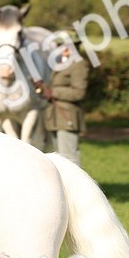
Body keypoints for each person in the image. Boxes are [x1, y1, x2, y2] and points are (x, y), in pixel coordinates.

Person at [40, 33, 89, 166]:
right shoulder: (59, 63)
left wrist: (54, 92)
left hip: (67, 116)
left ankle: (77, 187)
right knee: (59, 160)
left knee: (69, 159)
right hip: (53, 116)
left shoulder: (78, 64)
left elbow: (79, 92)